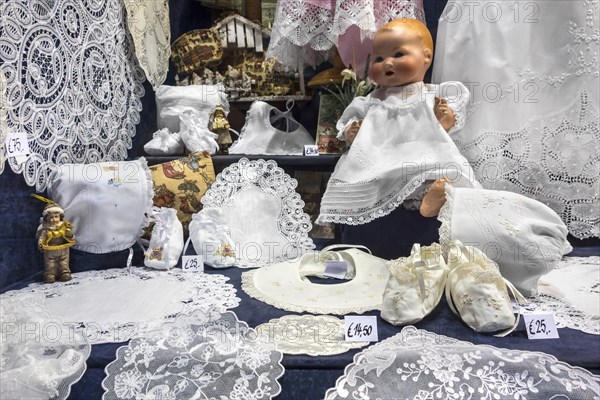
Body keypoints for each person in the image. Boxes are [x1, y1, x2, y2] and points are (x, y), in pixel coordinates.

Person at [317, 18, 478, 226]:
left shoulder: (431, 94)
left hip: (422, 151)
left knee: (435, 170)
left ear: (426, 57)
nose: (387, 63)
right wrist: (352, 132)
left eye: (399, 54)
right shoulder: (371, 100)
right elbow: (351, 122)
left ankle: (431, 196)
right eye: (378, 58)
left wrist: (443, 117)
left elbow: (447, 127)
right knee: (367, 177)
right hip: (377, 157)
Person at [36, 202, 76, 283]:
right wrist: (41, 244)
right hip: (50, 249)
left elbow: (70, 236)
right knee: (49, 262)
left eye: (56, 217)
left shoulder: (63, 226)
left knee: (64, 261)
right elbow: (42, 237)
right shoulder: (45, 228)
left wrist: (69, 235)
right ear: (46, 218)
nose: (53, 219)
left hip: (63, 248)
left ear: (60, 217)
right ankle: (50, 274)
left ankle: (64, 272)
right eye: (50, 217)